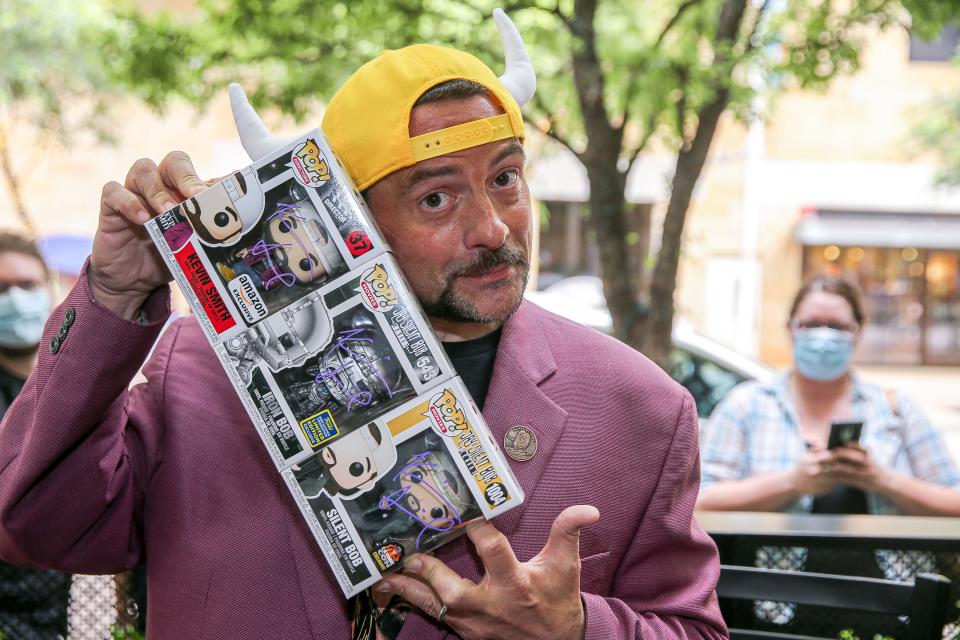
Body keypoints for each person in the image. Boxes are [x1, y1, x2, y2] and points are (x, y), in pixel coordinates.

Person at [0, 11, 726, 640]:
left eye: (505, 177)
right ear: (347, 218)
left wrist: (575, 629)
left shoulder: (643, 411)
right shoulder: (202, 369)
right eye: (437, 198)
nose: (493, 228)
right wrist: (116, 294)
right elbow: (33, 525)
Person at [698, 274, 960, 516]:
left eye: (837, 326)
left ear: (859, 332)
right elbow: (701, 502)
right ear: (791, 329)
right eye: (811, 324)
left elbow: (954, 501)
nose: (823, 336)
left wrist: (882, 479)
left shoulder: (897, 410)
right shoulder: (746, 405)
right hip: (775, 567)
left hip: (887, 566)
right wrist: (792, 482)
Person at [0, 231, 72, 640]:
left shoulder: (80, 391)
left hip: (79, 614)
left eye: (25, 285)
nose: (15, 300)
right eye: (0, 289)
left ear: (50, 290)